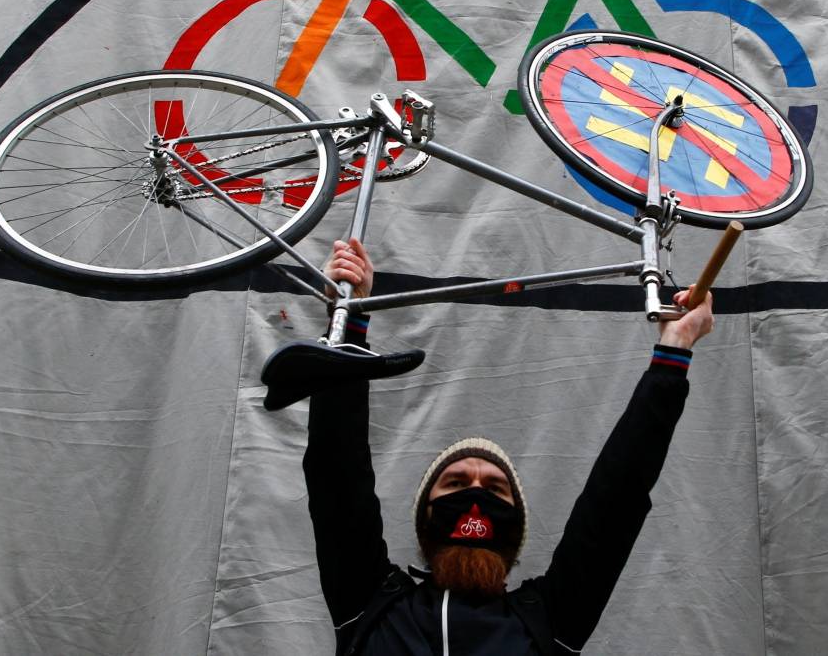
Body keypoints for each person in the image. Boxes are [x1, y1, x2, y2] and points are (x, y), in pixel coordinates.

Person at [302, 238, 713, 655]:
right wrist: (348, 320)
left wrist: (673, 352)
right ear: (425, 515)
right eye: (456, 484)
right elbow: (337, 472)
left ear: (517, 527)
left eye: (495, 489)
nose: (476, 495)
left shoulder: (550, 620)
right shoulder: (370, 603)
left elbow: (615, 502)